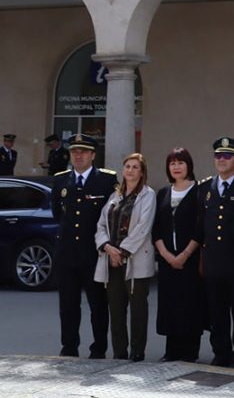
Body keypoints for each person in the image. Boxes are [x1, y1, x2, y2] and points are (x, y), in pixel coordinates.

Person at [52, 134, 117, 358]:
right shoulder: (60, 180)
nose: (78, 155)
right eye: (74, 151)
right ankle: (69, 347)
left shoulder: (107, 180)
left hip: (94, 253)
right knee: (68, 305)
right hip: (67, 254)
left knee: (98, 304)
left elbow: (112, 217)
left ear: (92, 155)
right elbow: (57, 214)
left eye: (83, 151)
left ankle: (99, 348)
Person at [93, 152, 156, 362]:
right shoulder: (115, 196)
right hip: (111, 260)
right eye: (127, 166)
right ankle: (120, 352)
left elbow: (143, 227)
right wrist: (108, 248)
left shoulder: (148, 195)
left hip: (136, 260)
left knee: (138, 308)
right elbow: (101, 225)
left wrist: (122, 251)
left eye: (135, 167)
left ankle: (137, 352)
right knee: (116, 309)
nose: (130, 170)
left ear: (142, 172)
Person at [197, 137, 234, 367]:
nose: (222, 160)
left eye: (227, 156)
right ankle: (220, 352)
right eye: (218, 156)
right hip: (213, 261)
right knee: (217, 312)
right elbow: (201, 224)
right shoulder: (205, 187)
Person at [152, 147, 206, 362]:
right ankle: (171, 350)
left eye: (180, 163)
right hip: (167, 261)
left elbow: (200, 228)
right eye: (172, 163)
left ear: (189, 166)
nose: (176, 167)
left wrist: (184, 254)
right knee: (170, 304)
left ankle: (190, 351)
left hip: (190, 260)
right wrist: (166, 254)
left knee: (190, 304)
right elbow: (156, 228)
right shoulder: (164, 193)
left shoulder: (199, 191)